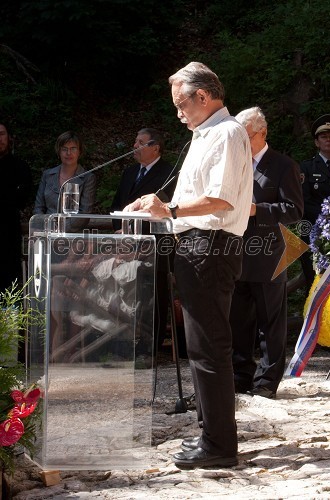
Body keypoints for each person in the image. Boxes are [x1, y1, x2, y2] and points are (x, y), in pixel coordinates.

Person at [123, 62, 253, 468]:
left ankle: (219, 447)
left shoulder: (228, 133)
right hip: (195, 245)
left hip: (210, 247)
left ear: (203, 96)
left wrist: (171, 209)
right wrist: (153, 205)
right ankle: (210, 436)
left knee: (209, 349)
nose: (177, 113)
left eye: (182, 104)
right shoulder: (204, 135)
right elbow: (189, 198)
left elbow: (222, 199)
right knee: (200, 348)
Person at [230, 106, 303, 399]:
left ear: (262, 132)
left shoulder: (283, 165)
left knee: (270, 324)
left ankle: (266, 382)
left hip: (269, 256)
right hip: (235, 254)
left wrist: (255, 210)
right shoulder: (235, 164)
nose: (240, 142)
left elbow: (294, 211)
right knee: (238, 321)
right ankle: (239, 376)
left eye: (244, 135)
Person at [111, 128, 177, 355]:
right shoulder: (130, 172)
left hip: (155, 245)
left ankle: (152, 346)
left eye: (140, 142)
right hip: (127, 241)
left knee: (154, 295)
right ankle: (124, 343)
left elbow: (165, 210)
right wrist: (121, 231)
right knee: (126, 293)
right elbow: (118, 203)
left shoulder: (170, 173)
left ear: (155, 147)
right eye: (135, 141)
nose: (134, 146)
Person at [300, 114, 330, 292]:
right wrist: (327, 219)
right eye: (324, 137)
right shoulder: (306, 168)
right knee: (316, 284)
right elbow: (304, 202)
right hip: (316, 233)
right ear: (317, 142)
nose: (328, 140)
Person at [0, 120, 32, 293]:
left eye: (1, 134)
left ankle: (8, 321)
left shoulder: (20, 167)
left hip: (8, 237)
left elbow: (21, 199)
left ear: (9, 137)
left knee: (8, 290)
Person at [34, 130, 96, 214]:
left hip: (74, 227)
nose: (68, 153)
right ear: (59, 152)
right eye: (64, 149)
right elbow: (38, 208)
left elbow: (84, 213)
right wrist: (46, 226)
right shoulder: (47, 175)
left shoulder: (88, 178)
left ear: (79, 152)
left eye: (73, 149)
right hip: (47, 225)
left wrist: (63, 227)